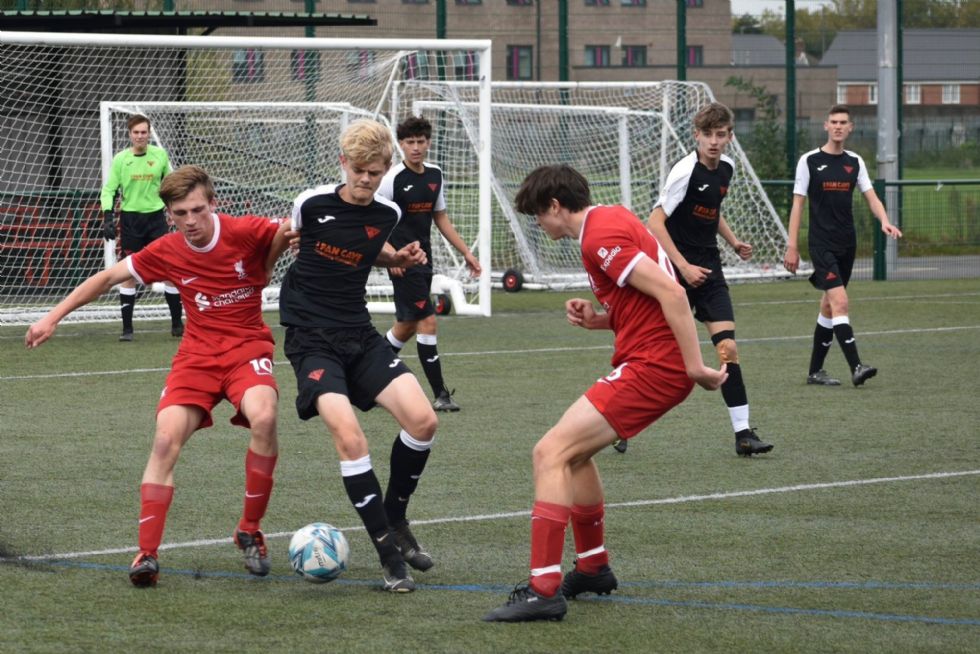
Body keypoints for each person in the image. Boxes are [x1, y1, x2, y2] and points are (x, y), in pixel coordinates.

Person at [27, 165, 292, 588]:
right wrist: (52, 317)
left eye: (197, 210)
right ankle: (146, 553)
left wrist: (387, 255)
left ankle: (249, 529)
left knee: (264, 416)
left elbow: (301, 225)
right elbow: (108, 277)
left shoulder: (246, 230)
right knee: (165, 439)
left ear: (213, 203)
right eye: (180, 213)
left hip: (246, 349)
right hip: (197, 357)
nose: (190, 221)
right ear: (168, 214)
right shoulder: (167, 249)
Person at [483, 164, 727, 623]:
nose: (540, 225)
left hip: (657, 365)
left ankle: (543, 590)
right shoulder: (608, 220)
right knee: (575, 455)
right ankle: (593, 567)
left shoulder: (598, 237)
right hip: (649, 358)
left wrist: (695, 366)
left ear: (555, 206)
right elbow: (645, 298)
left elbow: (674, 295)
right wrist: (600, 318)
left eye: (539, 216)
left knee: (549, 452)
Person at [278, 118, 438, 593]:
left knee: (423, 421)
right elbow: (283, 242)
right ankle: (389, 553)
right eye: (359, 171)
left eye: (375, 172)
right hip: (310, 340)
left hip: (359, 334)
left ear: (385, 169)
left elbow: (368, 250)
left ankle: (397, 516)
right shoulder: (310, 204)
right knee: (351, 438)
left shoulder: (387, 214)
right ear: (343, 164)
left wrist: (399, 259)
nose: (366, 180)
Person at [645, 102, 774, 458]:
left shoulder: (727, 168)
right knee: (655, 354)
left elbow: (712, 212)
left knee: (727, 349)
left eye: (721, 135)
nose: (714, 142)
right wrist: (683, 267)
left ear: (730, 136)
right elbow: (654, 223)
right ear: (696, 136)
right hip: (675, 271)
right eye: (707, 135)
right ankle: (618, 423)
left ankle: (743, 433)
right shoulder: (684, 171)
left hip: (710, 270)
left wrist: (733, 242)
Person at [784, 104, 902, 386]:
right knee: (840, 301)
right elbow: (798, 204)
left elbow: (871, 196)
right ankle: (857, 366)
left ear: (851, 128)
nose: (838, 126)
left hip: (847, 243)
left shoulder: (855, 161)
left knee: (829, 306)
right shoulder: (809, 161)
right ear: (826, 126)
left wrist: (884, 219)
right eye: (833, 122)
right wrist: (792, 245)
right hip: (821, 243)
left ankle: (815, 372)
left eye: (843, 122)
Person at [377, 116, 482, 412]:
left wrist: (466, 252)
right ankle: (440, 394)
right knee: (428, 320)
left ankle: (367, 373)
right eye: (410, 142)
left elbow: (441, 218)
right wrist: (391, 256)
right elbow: (374, 221)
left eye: (421, 142)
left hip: (425, 261)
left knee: (406, 327)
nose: (416, 147)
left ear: (428, 142)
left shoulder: (435, 175)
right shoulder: (391, 180)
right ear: (400, 145)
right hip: (402, 263)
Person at [100, 114, 183, 341]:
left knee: (169, 271)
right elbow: (109, 189)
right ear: (130, 135)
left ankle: (177, 323)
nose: (140, 136)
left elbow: (171, 185)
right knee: (129, 273)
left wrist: (179, 211)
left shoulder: (160, 155)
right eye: (136, 132)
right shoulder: (121, 160)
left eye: (143, 132)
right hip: (131, 221)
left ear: (149, 133)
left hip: (156, 220)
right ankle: (127, 329)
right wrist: (108, 216)